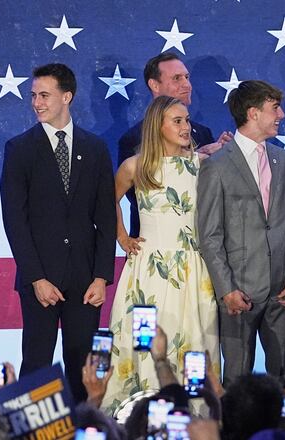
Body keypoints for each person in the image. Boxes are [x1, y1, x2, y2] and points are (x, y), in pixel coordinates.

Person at [0, 63, 116, 403]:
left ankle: (84, 429)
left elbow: (106, 217)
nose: (37, 102)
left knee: (82, 367)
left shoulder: (95, 149)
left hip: (84, 282)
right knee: (36, 365)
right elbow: (14, 221)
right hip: (40, 281)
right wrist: (36, 278)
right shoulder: (19, 149)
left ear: (67, 97)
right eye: (34, 95)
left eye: (45, 95)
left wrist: (100, 276)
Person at [101, 96, 219, 413]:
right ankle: (136, 416)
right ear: (158, 126)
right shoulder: (135, 166)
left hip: (193, 269)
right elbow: (106, 201)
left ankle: (194, 419)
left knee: (193, 343)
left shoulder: (202, 164)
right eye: (177, 121)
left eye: (186, 120)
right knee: (143, 345)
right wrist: (122, 237)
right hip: (148, 272)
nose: (186, 126)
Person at [197, 80, 285, 386]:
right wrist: (226, 289)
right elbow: (209, 234)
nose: (282, 115)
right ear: (253, 113)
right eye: (275, 108)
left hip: (282, 292)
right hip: (239, 292)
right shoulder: (216, 166)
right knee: (235, 378)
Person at [119, 52, 232, 239]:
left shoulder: (202, 133)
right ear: (154, 85)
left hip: (199, 243)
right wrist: (191, 157)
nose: (186, 84)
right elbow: (140, 197)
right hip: (153, 243)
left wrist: (223, 158)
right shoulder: (134, 138)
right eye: (177, 78)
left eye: (187, 77)